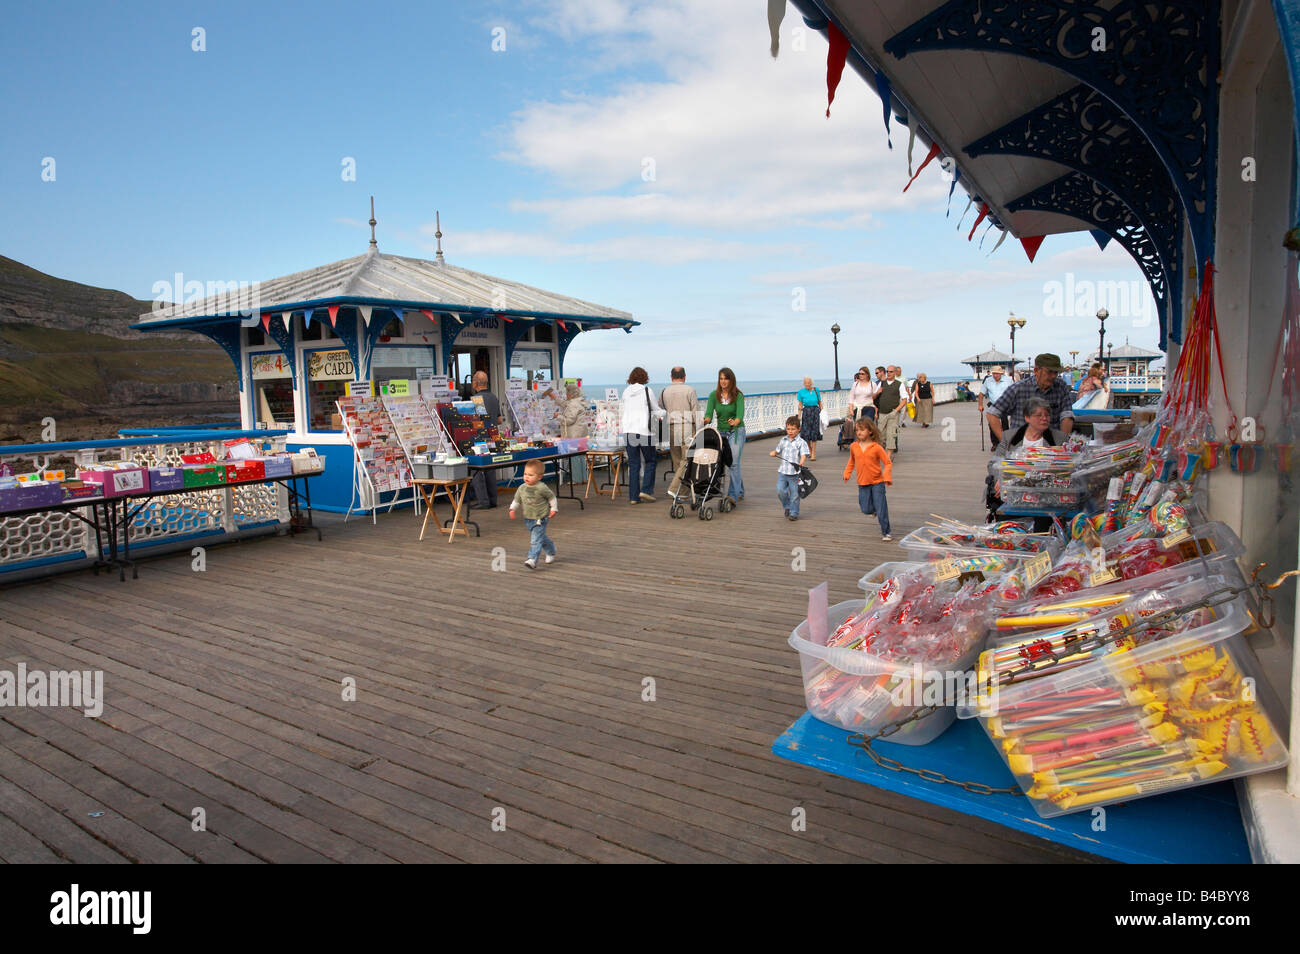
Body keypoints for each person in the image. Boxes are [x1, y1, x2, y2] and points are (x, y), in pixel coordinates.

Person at [985, 397, 1066, 529]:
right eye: (1039, 415)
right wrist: (1002, 477)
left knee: (1043, 523)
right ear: (1027, 418)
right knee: (1008, 522)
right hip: (1014, 496)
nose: (1044, 418)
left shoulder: (1059, 439)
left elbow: (1066, 468)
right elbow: (993, 463)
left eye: (1047, 415)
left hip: (1045, 497)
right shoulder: (1010, 436)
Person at [987, 353, 1076, 443]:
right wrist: (1005, 442)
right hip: (1022, 448)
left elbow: (1067, 415)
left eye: (1056, 372)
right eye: (1049, 372)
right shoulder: (1018, 388)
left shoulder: (1061, 386)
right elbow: (992, 414)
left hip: (1051, 447)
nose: (1053, 376)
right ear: (1036, 370)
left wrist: (1062, 443)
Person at [843, 417, 893, 541]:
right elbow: (852, 461)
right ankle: (873, 510)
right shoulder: (854, 446)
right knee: (865, 508)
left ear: (870, 431)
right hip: (862, 482)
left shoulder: (876, 447)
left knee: (881, 508)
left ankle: (886, 532)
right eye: (857, 430)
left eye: (862, 430)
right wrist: (847, 472)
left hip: (877, 482)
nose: (859, 433)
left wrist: (886, 476)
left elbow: (887, 463)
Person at [621, 367, 666, 504]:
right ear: (644, 378)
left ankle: (633, 497)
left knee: (634, 464)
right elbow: (656, 410)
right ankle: (646, 491)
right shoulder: (647, 390)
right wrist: (664, 412)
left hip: (629, 431)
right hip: (644, 432)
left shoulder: (626, 392)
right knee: (651, 461)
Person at [702, 367, 745, 504]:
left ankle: (732, 495)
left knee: (733, 463)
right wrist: (705, 420)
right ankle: (740, 490)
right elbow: (709, 413)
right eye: (721, 378)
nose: (723, 381)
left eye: (726, 378)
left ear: (731, 380)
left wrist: (735, 422)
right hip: (721, 432)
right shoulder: (713, 395)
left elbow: (740, 415)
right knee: (726, 463)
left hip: (736, 431)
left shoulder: (738, 396)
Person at [508, 459, 558, 569]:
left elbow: (551, 497)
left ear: (539, 477)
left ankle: (532, 559)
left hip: (540, 518)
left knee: (535, 540)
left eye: (531, 475)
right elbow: (517, 500)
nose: (527, 477)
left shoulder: (541, 487)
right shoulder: (522, 488)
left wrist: (554, 509)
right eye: (525, 474)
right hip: (528, 518)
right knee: (540, 537)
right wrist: (512, 509)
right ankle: (551, 550)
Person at [658, 367, 699, 496]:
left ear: (671, 377)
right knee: (687, 459)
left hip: (671, 427)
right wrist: (700, 430)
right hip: (686, 426)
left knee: (677, 460)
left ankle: (681, 490)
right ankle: (676, 489)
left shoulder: (665, 391)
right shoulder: (690, 390)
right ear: (684, 377)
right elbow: (696, 411)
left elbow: (660, 408)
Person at [469, 371, 503, 509]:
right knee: (490, 468)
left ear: (476, 383)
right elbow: (499, 420)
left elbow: (477, 420)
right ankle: (493, 499)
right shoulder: (494, 397)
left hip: (480, 438)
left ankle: (483, 501)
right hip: (493, 437)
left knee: (477, 469)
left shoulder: (476, 399)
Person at [547, 381, 590, 486]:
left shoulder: (573, 404)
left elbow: (569, 420)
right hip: (581, 434)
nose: (566, 395)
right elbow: (565, 404)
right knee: (581, 457)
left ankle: (576, 480)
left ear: (570, 394)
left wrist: (558, 416)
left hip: (574, 435)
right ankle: (583, 478)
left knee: (574, 457)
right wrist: (555, 398)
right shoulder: (578, 402)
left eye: (566, 393)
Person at [769, 415, 809, 521]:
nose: (790, 431)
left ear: (798, 429)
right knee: (780, 490)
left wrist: (802, 461)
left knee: (795, 495)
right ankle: (787, 506)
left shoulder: (801, 442)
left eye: (793, 429)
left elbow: (804, 454)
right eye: (788, 429)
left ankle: (794, 513)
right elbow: (778, 450)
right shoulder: (783, 440)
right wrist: (774, 452)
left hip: (795, 474)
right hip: (783, 472)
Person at [978, 365, 1013, 449]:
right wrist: (980, 405)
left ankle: (1005, 443)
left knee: (1005, 424)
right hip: (993, 405)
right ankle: (995, 443)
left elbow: (1013, 392)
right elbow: (981, 394)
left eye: (997, 374)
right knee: (992, 425)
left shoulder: (1008, 380)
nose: (995, 375)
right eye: (994, 373)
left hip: (1005, 405)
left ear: (1001, 373)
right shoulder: (988, 380)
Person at [874, 365, 905, 457]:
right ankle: (881, 454)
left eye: (891, 371)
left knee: (891, 434)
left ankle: (888, 456)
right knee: (880, 435)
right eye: (887, 371)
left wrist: (896, 411)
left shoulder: (899, 384)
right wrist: (877, 392)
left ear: (895, 373)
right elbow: (873, 398)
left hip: (893, 414)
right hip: (882, 413)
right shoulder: (882, 383)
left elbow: (904, 400)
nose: (889, 373)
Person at [796, 376, 823, 460]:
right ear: (804, 383)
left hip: (815, 412)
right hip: (806, 412)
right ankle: (810, 450)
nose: (807, 384)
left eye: (808, 383)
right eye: (805, 383)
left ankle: (813, 454)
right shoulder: (801, 392)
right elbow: (800, 405)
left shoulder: (816, 390)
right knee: (806, 434)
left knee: (814, 433)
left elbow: (819, 402)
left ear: (811, 383)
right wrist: (799, 416)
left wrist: (823, 413)